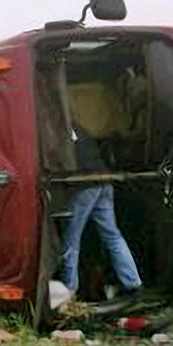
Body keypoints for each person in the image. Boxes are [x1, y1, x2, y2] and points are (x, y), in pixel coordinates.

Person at [60, 111, 142, 299]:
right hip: (104, 180)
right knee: (112, 235)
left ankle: (69, 290)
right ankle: (133, 282)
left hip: (85, 185)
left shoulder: (57, 131)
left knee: (71, 240)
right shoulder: (79, 129)